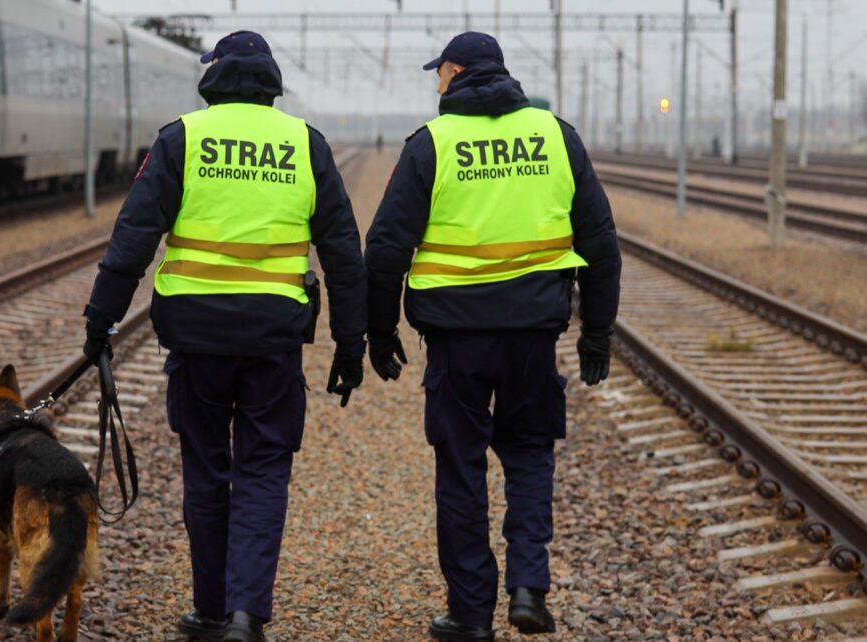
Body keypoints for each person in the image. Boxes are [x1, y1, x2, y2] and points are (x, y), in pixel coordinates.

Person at [82, 30, 366, 642]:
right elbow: (343, 250)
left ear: (212, 75)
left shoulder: (182, 139)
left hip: (197, 337)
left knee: (206, 470)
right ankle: (245, 616)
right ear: (270, 82)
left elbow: (132, 239)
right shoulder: (304, 143)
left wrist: (100, 321)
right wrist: (350, 341)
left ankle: (210, 611)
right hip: (273, 337)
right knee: (264, 470)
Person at [364, 32, 621, 642]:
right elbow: (602, 246)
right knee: (530, 454)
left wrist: (378, 332)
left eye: (439, 74)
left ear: (454, 72)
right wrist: (597, 333)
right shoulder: (556, 137)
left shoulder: (433, 144)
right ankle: (529, 587)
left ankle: (471, 614)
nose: (436, 84)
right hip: (533, 334)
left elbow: (384, 250)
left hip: (457, 340)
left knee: (461, 467)